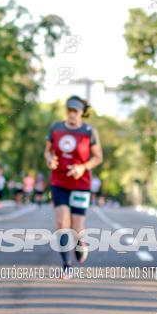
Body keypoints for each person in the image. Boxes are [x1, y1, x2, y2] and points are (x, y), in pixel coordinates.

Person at [44, 95, 103, 275]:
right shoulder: (56, 128)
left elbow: (98, 157)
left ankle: (80, 242)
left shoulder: (88, 131)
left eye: (75, 111)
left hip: (81, 183)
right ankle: (67, 265)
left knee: (77, 227)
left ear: (82, 113)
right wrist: (49, 159)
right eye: (69, 110)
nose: (71, 114)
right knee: (62, 222)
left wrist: (82, 167)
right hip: (59, 181)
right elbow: (47, 151)